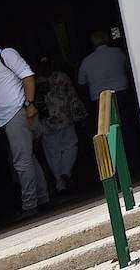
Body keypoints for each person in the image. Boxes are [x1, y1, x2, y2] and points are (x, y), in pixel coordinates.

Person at [0, 34, 49, 218]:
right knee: (28, 157)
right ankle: (42, 198)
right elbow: (4, 91)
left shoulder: (5, 54)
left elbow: (27, 75)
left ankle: (29, 206)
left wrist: (30, 105)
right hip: (10, 116)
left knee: (21, 161)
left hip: (17, 113)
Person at [77, 29, 140, 170]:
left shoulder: (86, 61)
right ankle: (136, 160)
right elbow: (128, 69)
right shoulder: (118, 53)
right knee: (128, 127)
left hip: (100, 99)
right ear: (107, 39)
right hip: (122, 93)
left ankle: (115, 166)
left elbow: (81, 83)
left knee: (107, 133)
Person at [34, 56, 88, 195]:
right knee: (70, 146)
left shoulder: (33, 83)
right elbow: (72, 97)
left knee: (53, 153)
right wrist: (80, 115)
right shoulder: (61, 77)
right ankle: (66, 172)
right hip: (64, 118)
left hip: (46, 121)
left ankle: (60, 183)